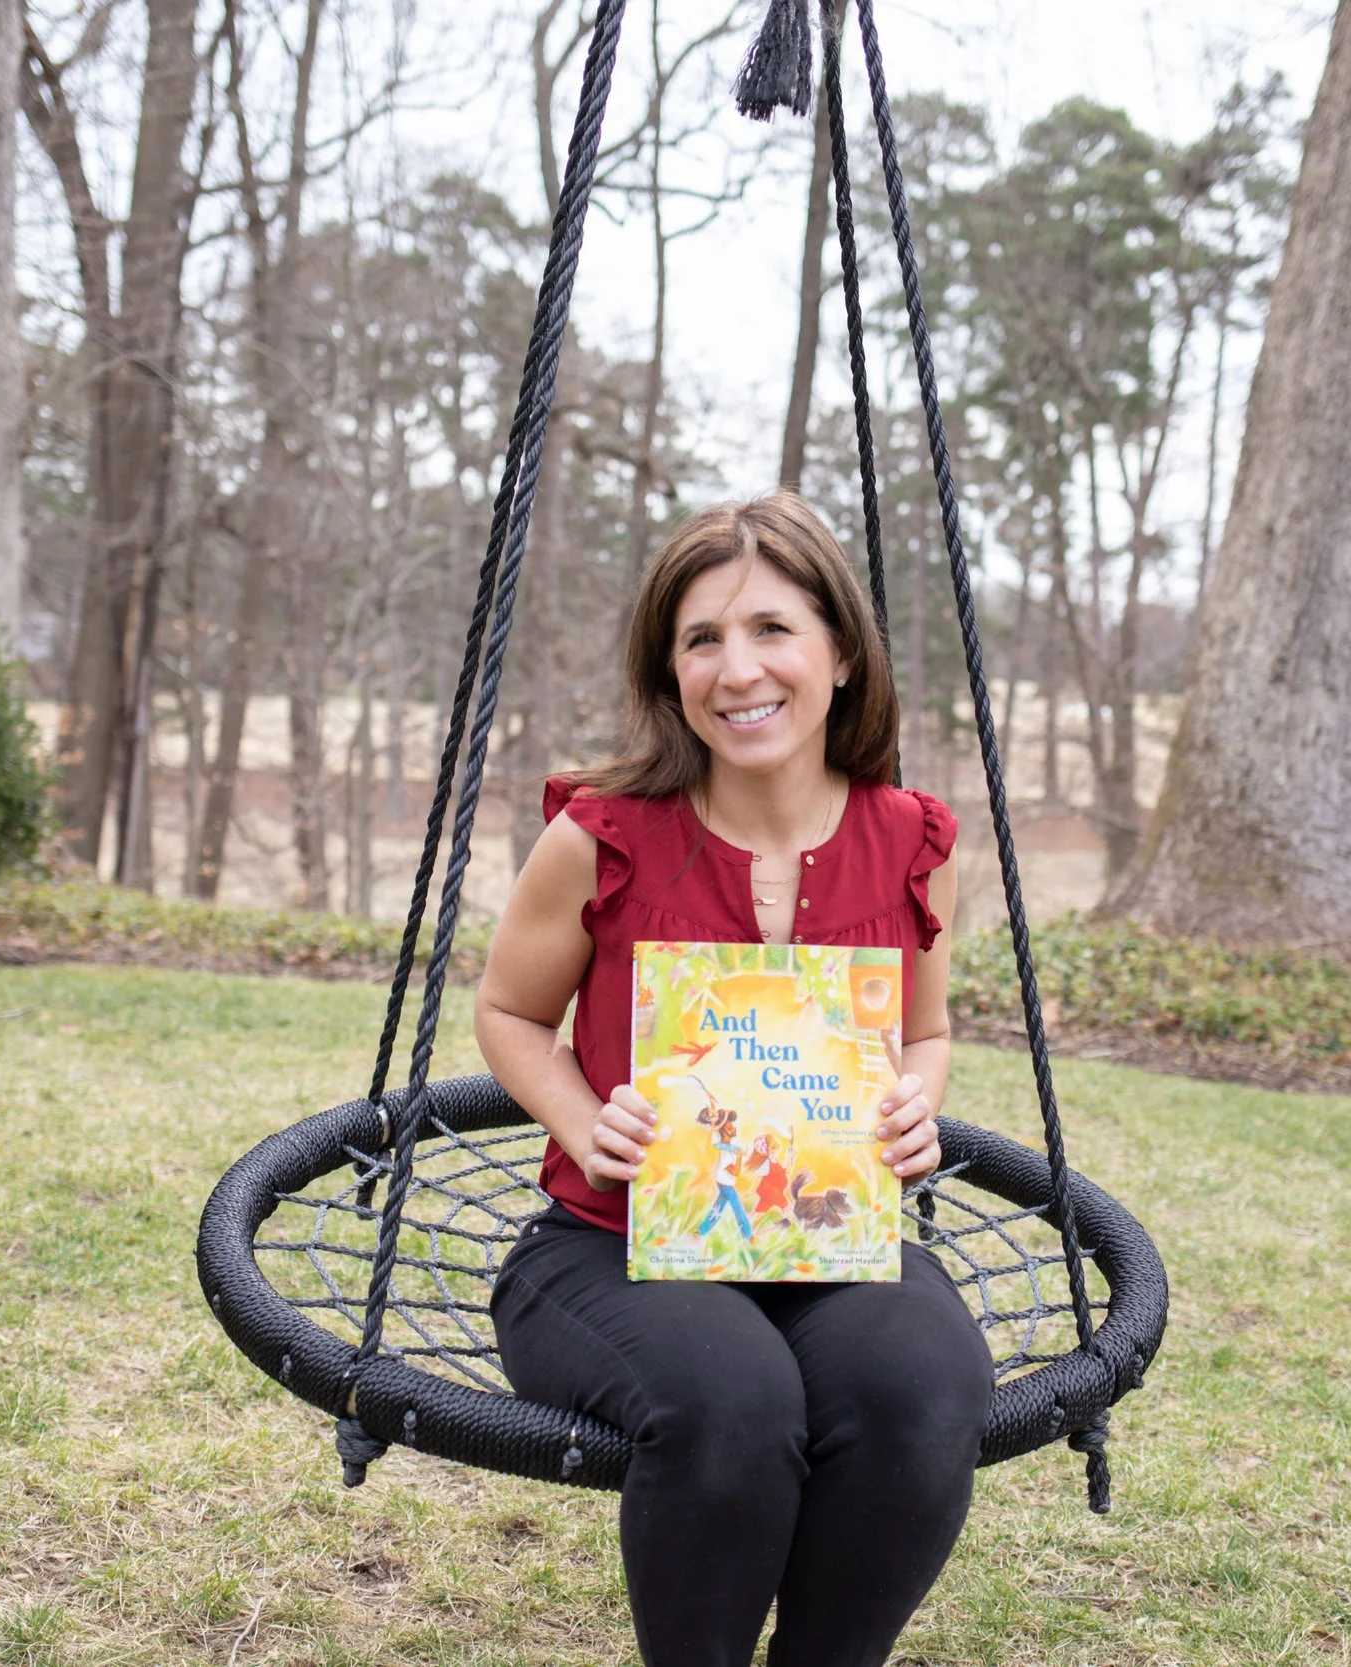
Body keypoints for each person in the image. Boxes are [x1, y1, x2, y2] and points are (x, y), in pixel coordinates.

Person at [475, 493, 993, 1667]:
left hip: (827, 1241)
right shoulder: (603, 836)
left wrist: (917, 1099)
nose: (736, 668)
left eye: (771, 628)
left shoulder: (912, 840)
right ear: (669, 671)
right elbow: (507, 1011)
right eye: (700, 638)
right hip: (608, 1244)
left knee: (925, 1384)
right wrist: (580, 1115)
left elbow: (925, 1030)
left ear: (841, 655)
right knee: (734, 1401)